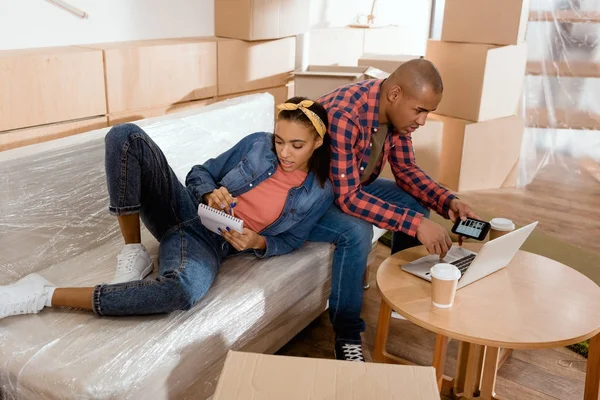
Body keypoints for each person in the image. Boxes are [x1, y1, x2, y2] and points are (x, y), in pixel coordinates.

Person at [0, 97, 333, 319]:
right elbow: (200, 172)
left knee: (181, 290)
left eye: (296, 145)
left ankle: (42, 293)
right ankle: (133, 250)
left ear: (317, 143)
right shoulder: (257, 144)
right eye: (279, 140)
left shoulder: (319, 192)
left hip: (209, 244)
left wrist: (257, 242)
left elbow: (292, 240)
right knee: (125, 135)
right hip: (185, 208)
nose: (284, 152)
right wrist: (209, 193)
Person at [307, 59, 482, 361]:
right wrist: (415, 224)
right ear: (395, 94)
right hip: (311, 196)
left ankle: (403, 294)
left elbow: (406, 170)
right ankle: (347, 334)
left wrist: (447, 201)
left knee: (412, 200)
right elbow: (347, 200)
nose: (423, 120)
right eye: (420, 111)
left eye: (428, 112)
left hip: (349, 184)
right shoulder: (345, 114)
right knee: (356, 230)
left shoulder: (397, 117)